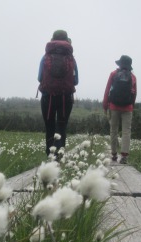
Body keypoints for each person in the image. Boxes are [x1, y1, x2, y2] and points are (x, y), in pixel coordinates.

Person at [38, 29, 79, 159]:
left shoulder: (45, 57)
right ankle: (59, 155)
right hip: (65, 97)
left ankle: (50, 156)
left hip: (47, 97)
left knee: (49, 125)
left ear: (52, 40)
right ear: (67, 40)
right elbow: (76, 80)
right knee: (61, 125)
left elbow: (39, 78)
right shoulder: (71, 58)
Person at [103, 55, 137, 164]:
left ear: (120, 64)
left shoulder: (113, 74)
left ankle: (113, 154)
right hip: (128, 108)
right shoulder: (133, 77)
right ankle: (124, 156)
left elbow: (107, 90)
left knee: (114, 130)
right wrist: (132, 106)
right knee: (126, 131)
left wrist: (105, 105)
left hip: (114, 107)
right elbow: (134, 93)